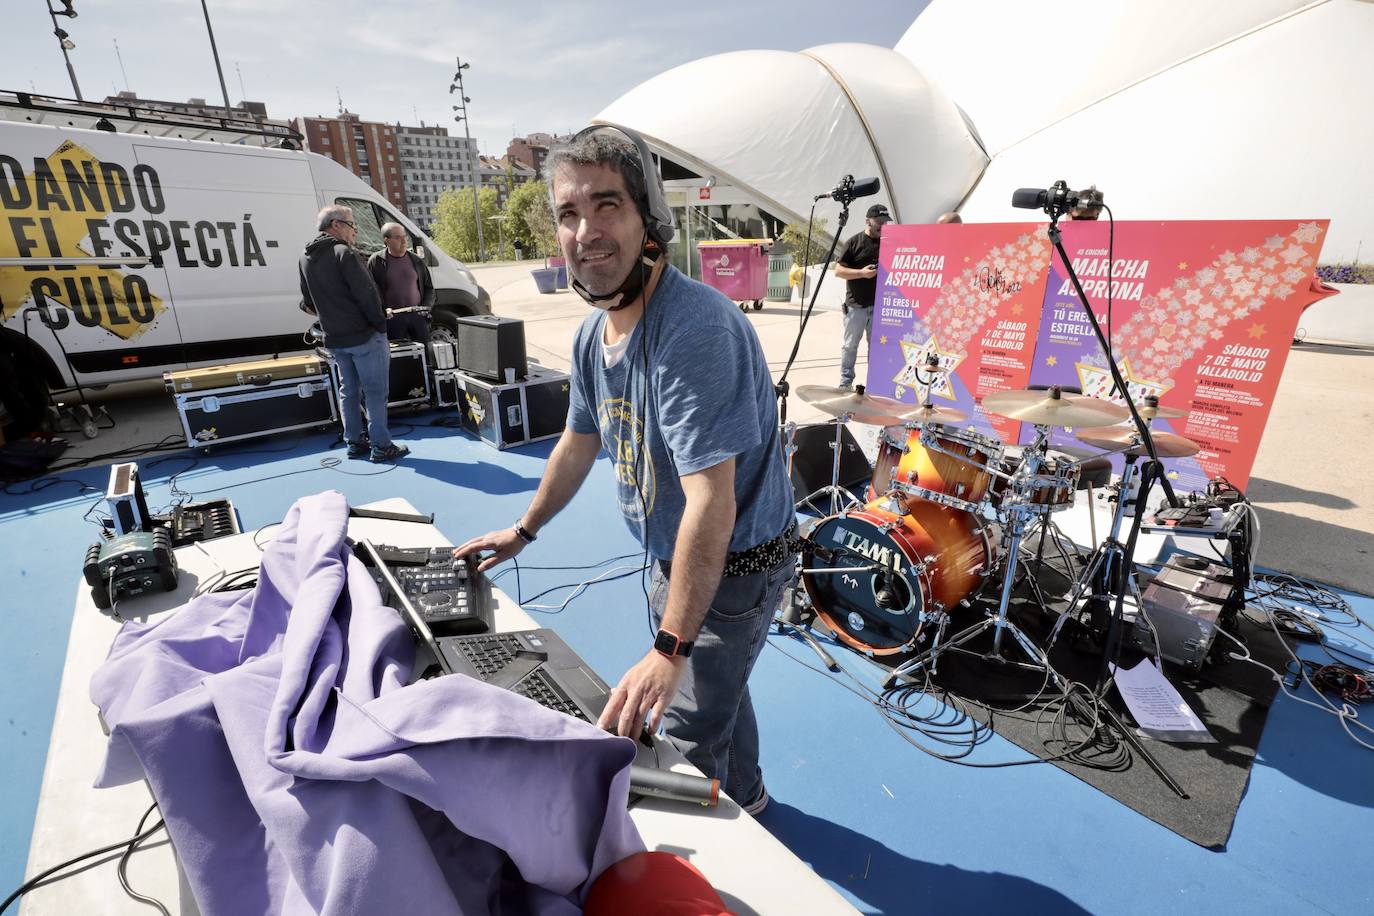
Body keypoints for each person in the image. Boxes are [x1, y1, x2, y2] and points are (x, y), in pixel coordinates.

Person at [453, 127, 796, 816]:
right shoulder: (591, 333)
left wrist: (669, 646)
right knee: (722, 686)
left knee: (686, 727)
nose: (586, 231)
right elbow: (578, 444)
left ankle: (715, 866)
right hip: (675, 555)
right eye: (570, 213)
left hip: (737, 564)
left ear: (648, 220)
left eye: (607, 205)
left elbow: (711, 502)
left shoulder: (693, 330)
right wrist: (522, 531)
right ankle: (752, 798)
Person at [299, 205, 409, 462]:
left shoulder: (305, 258)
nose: (355, 230)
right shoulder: (344, 253)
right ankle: (381, 446)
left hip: (335, 339)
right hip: (364, 337)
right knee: (375, 391)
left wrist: (331, 314)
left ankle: (355, 442)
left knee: (348, 390)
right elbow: (367, 295)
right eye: (351, 224)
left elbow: (307, 304)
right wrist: (381, 323)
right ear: (335, 225)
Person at [833, 203, 891, 389]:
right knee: (850, 346)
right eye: (879, 221)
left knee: (876, 349)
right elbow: (838, 271)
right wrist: (862, 273)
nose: (882, 225)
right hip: (855, 307)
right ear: (868, 221)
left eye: (885, 221)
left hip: (879, 307)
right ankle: (845, 383)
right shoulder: (853, 242)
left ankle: (874, 384)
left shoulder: (889, 241)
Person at [368, 222, 435, 343]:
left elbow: (429, 288)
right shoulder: (376, 261)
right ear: (386, 240)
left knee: (424, 355)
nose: (404, 241)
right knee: (400, 358)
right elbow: (371, 291)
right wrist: (382, 312)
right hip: (392, 318)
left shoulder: (416, 261)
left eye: (405, 237)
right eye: (398, 237)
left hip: (418, 317)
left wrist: (426, 309)